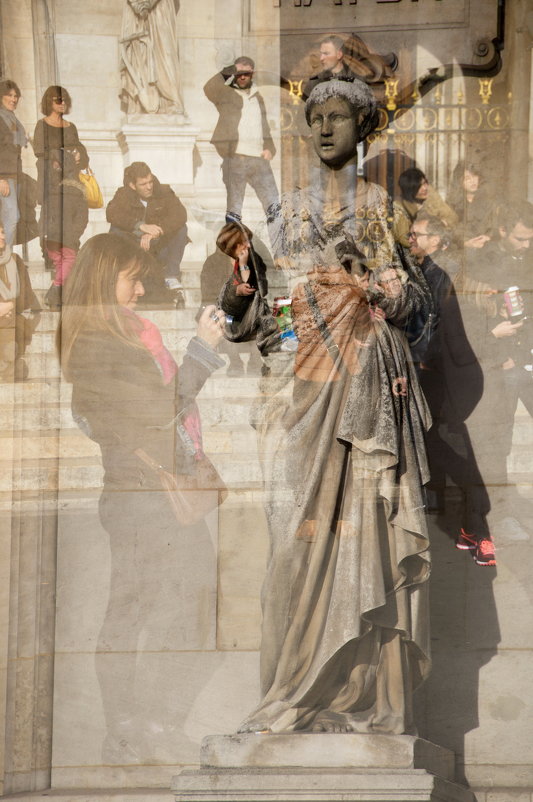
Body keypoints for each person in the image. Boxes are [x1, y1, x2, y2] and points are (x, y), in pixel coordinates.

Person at [239, 80, 432, 736]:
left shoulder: (376, 204)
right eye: (315, 118)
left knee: (362, 531)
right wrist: (258, 296)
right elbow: (265, 308)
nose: (324, 128)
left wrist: (387, 292)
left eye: (337, 118)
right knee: (290, 545)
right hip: (302, 384)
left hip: (359, 382)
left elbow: (409, 302)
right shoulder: (285, 207)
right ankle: (288, 692)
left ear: (361, 127)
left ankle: (354, 695)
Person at [58, 232, 225, 758]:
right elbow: (155, 411)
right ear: (104, 278)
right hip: (138, 494)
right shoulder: (93, 341)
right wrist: (200, 351)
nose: (139, 287)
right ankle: (126, 728)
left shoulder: (130, 333)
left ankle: (155, 718)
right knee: (133, 611)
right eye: (131, 277)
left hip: (157, 491)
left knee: (192, 605)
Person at [204, 56, 279, 226]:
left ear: (252, 73)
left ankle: (280, 251)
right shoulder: (226, 94)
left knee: (274, 207)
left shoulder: (257, 96)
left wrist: (270, 149)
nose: (243, 77)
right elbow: (209, 88)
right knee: (234, 211)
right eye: (239, 73)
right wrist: (230, 69)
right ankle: (232, 250)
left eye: (247, 73)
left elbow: (264, 126)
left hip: (259, 160)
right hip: (235, 159)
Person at [106, 161, 188, 304]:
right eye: (143, 184)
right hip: (135, 247)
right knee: (115, 230)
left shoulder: (164, 191)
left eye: (150, 182)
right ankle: (120, 273)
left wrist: (158, 230)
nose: (149, 187)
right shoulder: (123, 193)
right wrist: (140, 227)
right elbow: (112, 213)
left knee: (181, 229)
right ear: (132, 185)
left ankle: (171, 275)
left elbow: (180, 214)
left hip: (158, 247)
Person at [42, 149, 88, 310]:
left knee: (62, 263)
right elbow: (83, 217)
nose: (55, 167)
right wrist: (75, 233)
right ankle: (54, 291)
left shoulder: (53, 187)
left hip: (55, 235)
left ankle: (55, 296)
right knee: (67, 261)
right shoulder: (78, 188)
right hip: (64, 236)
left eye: (58, 164)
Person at [119, 0, 184, 115]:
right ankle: (141, 102)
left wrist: (146, 4)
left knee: (164, 53)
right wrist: (138, 4)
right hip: (137, 12)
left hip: (160, 9)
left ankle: (169, 100)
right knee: (139, 52)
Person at [0, 220, 41, 382]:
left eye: (2, 232)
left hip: (12, 317)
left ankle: (7, 363)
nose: (2, 237)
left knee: (12, 326)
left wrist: (9, 305)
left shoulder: (15, 261)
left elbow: (26, 295)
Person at [394, 167, 458, 248]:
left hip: (438, 243)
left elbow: (452, 218)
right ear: (410, 191)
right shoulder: (399, 206)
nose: (424, 188)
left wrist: (440, 224)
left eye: (425, 183)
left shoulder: (430, 194)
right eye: (419, 187)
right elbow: (404, 238)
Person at [0, 80, 28, 248]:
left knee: (7, 217)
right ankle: (5, 255)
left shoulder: (13, 120)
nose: (14, 99)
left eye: (16, 96)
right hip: (4, 176)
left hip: (14, 175)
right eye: (9, 95)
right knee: (12, 217)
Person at [446, 161, 494, 249]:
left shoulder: (489, 202)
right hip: (461, 250)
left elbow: (494, 227)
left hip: (485, 248)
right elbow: (448, 233)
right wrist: (465, 244)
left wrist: (488, 237)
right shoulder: (452, 204)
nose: (473, 181)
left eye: (475, 176)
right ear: (459, 181)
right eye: (467, 178)